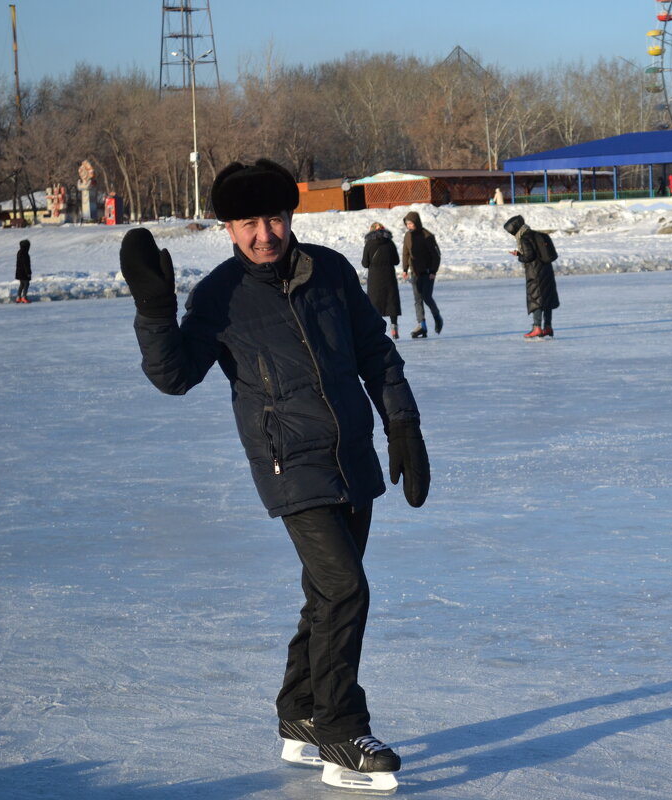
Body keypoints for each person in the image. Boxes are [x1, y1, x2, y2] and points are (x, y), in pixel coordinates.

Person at [118, 158, 429, 794]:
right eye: (248, 222)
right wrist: (154, 308)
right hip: (290, 466)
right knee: (345, 588)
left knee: (325, 594)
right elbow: (175, 376)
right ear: (228, 228)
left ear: (290, 217)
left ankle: (299, 714)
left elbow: (376, 351)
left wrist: (403, 425)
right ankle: (341, 729)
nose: (264, 233)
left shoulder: (334, 273)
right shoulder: (219, 297)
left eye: (274, 218)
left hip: (353, 457)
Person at [504, 214, 560, 338]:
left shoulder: (524, 237)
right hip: (546, 270)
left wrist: (519, 256)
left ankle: (537, 328)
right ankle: (548, 327)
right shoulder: (535, 234)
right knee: (546, 299)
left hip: (535, 273)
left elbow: (529, 256)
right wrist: (520, 253)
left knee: (536, 299)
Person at [400, 210, 443, 338]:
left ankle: (437, 316)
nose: (409, 226)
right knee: (417, 300)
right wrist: (405, 269)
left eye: (411, 223)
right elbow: (405, 253)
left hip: (428, 273)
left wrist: (433, 271)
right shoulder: (408, 236)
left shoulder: (427, 236)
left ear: (416, 223)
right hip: (415, 273)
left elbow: (436, 255)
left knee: (426, 297)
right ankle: (422, 325)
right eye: (407, 224)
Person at [361, 222, 402, 338]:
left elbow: (365, 263)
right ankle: (394, 326)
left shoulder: (369, 244)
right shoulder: (389, 242)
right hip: (389, 276)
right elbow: (396, 261)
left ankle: (379, 331)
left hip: (375, 278)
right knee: (391, 301)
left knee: (375, 303)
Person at [14, 239, 31, 303]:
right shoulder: (24, 253)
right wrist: (28, 273)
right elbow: (26, 264)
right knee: (26, 284)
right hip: (24, 272)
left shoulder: (19, 252)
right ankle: (24, 297)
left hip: (19, 272)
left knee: (22, 284)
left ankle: (18, 297)